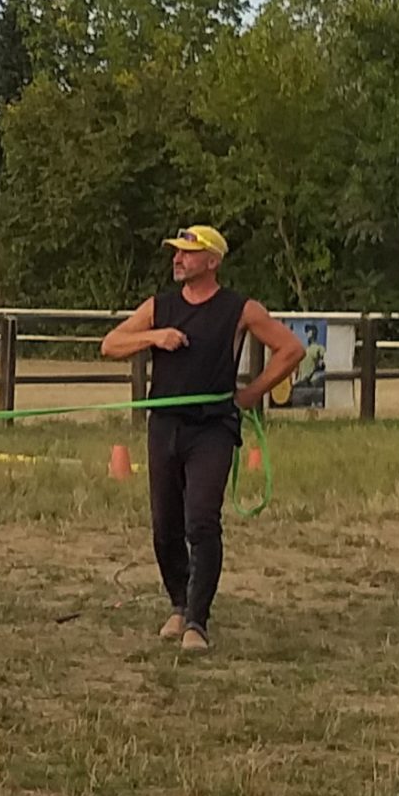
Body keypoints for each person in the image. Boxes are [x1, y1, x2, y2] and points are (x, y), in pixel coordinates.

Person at [100, 225, 305, 654]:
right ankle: (178, 603)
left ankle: (198, 619)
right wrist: (154, 337)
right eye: (176, 253)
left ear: (212, 261)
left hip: (212, 428)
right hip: (165, 425)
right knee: (165, 524)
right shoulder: (160, 307)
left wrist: (251, 393)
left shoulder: (239, 309)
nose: (178, 259)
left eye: (187, 253)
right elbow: (111, 344)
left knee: (201, 520)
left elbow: (290, 349)